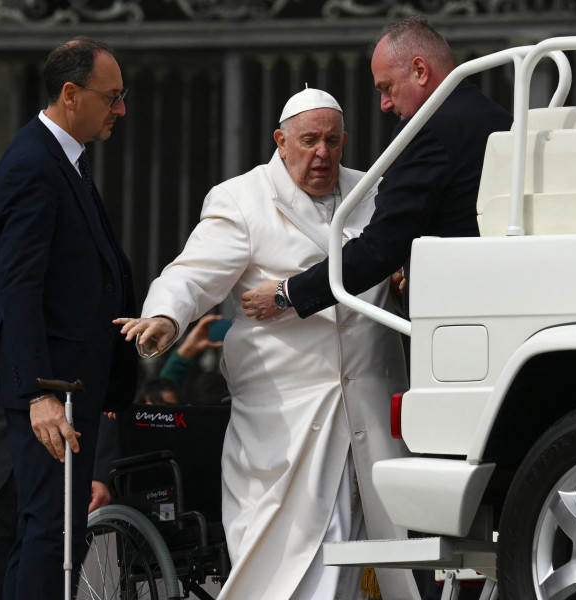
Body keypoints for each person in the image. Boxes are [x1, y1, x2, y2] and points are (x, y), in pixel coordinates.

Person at [115, 88, 420, 600]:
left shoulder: (375, 191)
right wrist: (165, 315)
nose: (321, 153)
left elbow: (403, 256)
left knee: (382, 559)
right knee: (288, 562)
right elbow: (193, 274)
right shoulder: (242, 198)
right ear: (280, 141)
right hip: (286, 422)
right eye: (308, 141)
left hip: (372, 409)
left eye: (331, 140)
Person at [0, 37, 137, 599]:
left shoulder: (64, 160)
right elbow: (19, 289)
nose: (120, 109)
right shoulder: (33, 164)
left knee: (52, 532)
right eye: (112, 97)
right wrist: (39, 395)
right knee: (52, 531)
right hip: (54, 387)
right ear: (71, 95)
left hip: (74, 381)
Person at [241, 16, 513, 321]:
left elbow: (381, 247)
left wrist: (287, 293)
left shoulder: (426, 130)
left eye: (387, 88)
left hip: (459, 315)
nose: (384, 104)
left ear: (420, 71)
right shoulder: (500, 118)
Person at [0, 264, 118, 600]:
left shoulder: (87, 281)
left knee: (50, 582)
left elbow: (103, 382)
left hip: (61, 458)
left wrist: (100, 470)